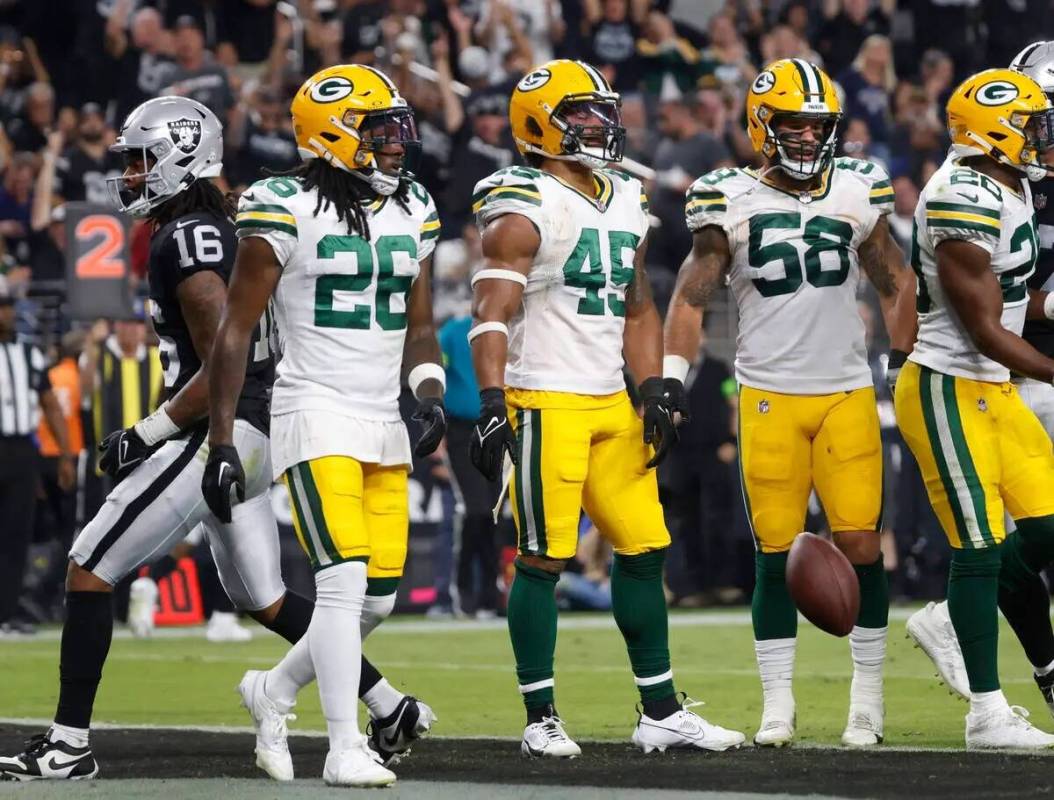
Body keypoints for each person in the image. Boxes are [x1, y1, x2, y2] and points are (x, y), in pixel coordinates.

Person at [0, 95, 312, 782]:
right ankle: (386, 702)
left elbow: (221, 360)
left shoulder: (189, 236)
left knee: (89, 563)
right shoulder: (210, 228)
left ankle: (68, 745)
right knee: (267, 598)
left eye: (142, 161)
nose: (133, 175)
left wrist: (147, 431)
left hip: (216, 432)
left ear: (181, 156)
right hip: (250, 427)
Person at [468, 58, 745, 758]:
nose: (600, 125)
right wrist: (493, 398)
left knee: (646, 548)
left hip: (607, 399)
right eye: (581, 115)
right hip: (542, 401)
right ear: (540, 127)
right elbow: (492, 312)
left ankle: (659, 710)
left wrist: (651, 384)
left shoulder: (625, 196)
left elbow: (639, 304)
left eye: (601, 112)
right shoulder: (518, 200)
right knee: (542, 559)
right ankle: (541, 718)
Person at [663, 59, 917, 749]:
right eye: (794, 125)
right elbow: (691, 296)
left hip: (845, 393)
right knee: (774, 553)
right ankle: (779, 701)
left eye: (818, 126)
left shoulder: (860, 188)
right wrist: (670, 378)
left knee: (863, 545)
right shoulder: (726, 198)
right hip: (769, 394)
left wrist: (901, 355)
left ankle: (867, 698)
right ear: (760, 124)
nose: (808, 138)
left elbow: (894, 281)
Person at [204, 64, 445, 787]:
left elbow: (421, 325)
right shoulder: (282, 205)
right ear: (333, 135)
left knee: (378, 598)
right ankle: (344, 746)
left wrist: (427, 390)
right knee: (340, 585)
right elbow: (234, 330)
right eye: (379, 130)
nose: (397, 143)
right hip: (312, 410)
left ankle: (273, 690)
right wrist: (221, 439)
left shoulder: (414, 208)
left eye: (397, 127)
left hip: (380, 417)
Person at [895, 68, 1054, 749]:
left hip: (993, 388)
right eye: (1033, 125)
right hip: (944, 386)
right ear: (993, 132)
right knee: (979, 547)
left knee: (1046, 529)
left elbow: (1017, 302)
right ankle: (986, 713)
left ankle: (951, 622)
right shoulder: (960, 194)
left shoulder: (1010, 185)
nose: (1045, 137)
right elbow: (985, 327)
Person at [0, 281, 75, 635]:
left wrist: (63, 453)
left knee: (17, 533)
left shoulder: (28, 354)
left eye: (8, 306)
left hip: (21, 451)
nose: (7, 313)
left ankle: (9, 611)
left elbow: (50, 406)